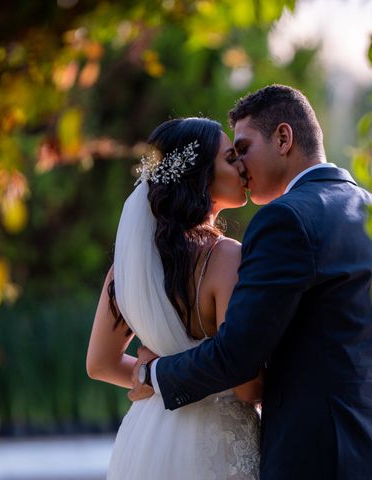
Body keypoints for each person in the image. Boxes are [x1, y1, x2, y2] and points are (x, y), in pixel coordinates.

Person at [130, 85, 372, 479]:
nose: (241, 166)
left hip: (316, 463)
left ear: (283, 138)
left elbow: (238, 354)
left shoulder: (288, 219)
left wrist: (154, 374)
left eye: (244, 148)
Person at [86, 117, 263, 479]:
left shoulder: (128, 263)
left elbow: (99, 364)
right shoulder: (226, 257)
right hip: (217, 443)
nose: (242, 167)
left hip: (147, 437)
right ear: (201, 175)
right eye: (231, 158)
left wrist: (150, 374)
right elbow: (246, 383)